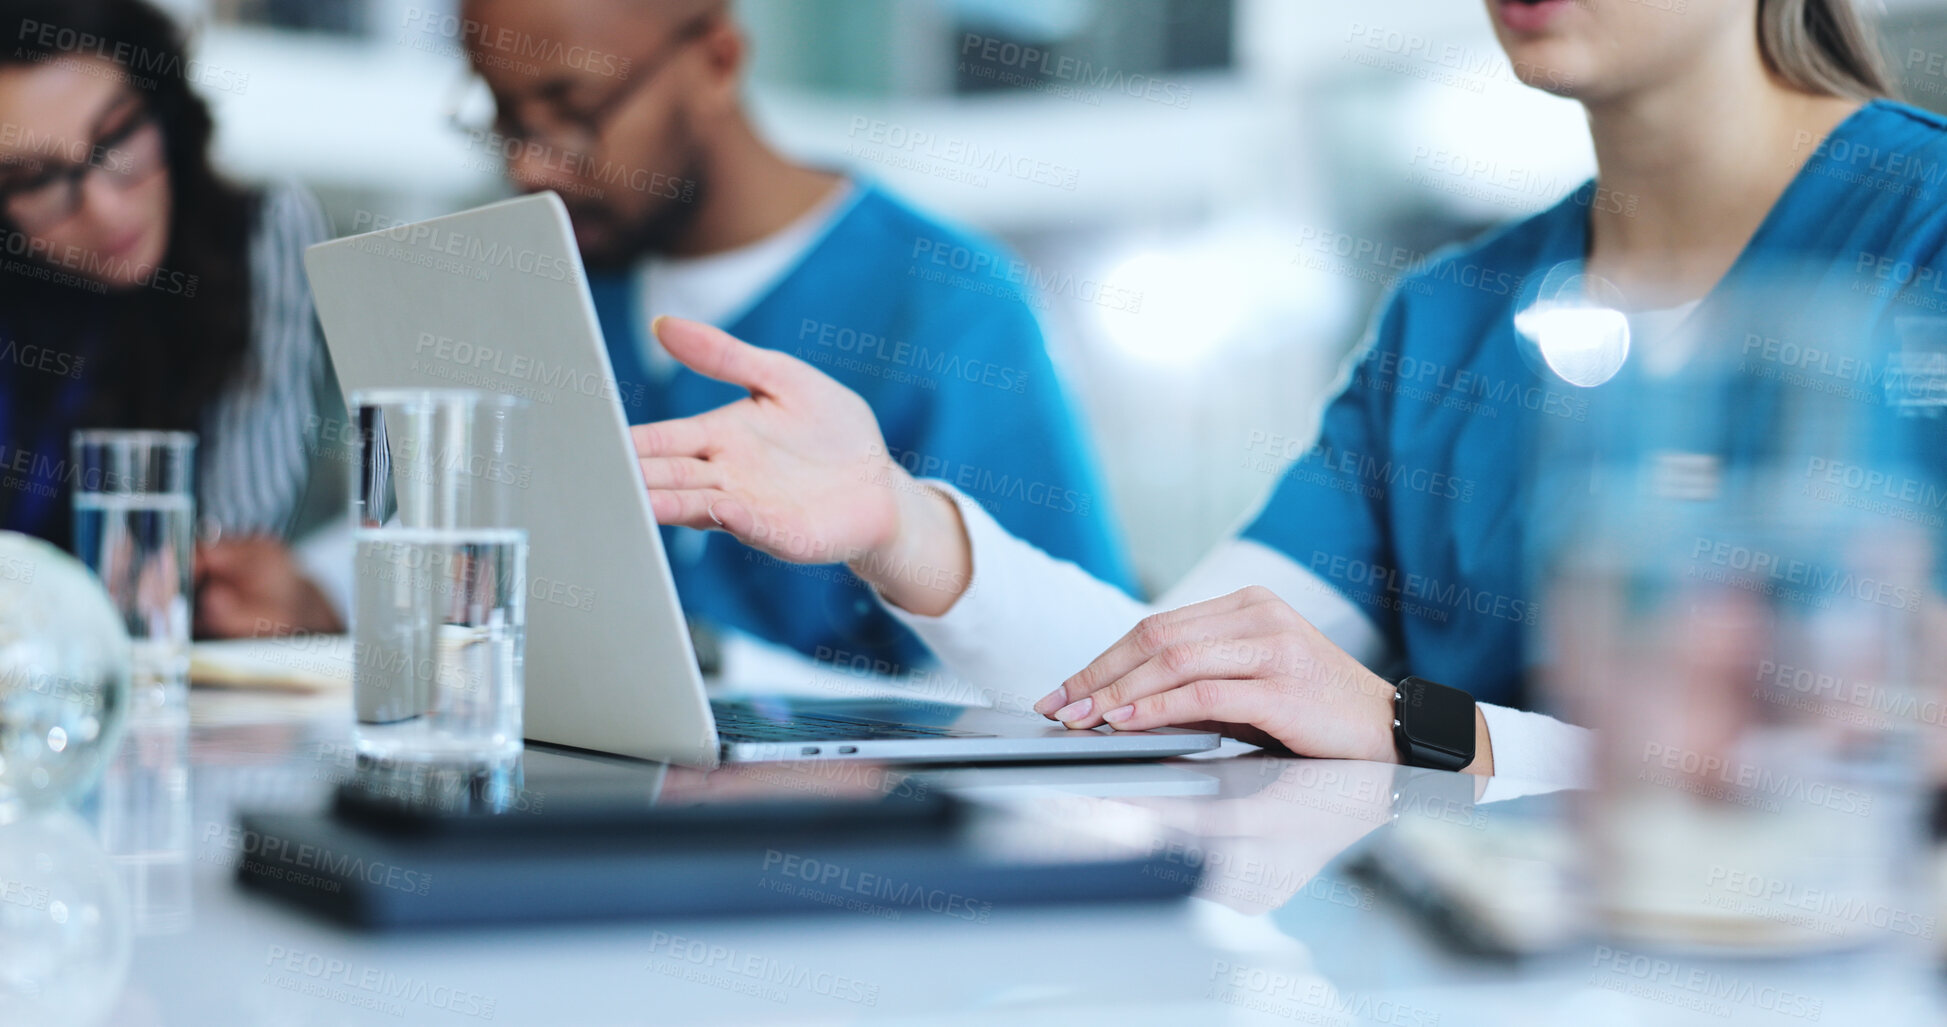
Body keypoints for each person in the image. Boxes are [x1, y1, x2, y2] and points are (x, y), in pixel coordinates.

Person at [628, 0, 1947, 783]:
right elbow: (1153, 674)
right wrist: (899, 527)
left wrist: (1427, 730)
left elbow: (1873, 777)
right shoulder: (1450, 315)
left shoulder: (1921, 238)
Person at [456, 0, 1134, 670]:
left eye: (575, 115)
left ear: (717, 60)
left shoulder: (955, 307)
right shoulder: (550, 280)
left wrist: (721, 662)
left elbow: (1076, 669)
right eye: (506, 121)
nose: (531, 168)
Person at [0, 0, 348, 638]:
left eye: (116, 137)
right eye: (36, 178)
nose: (104, 209)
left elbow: (227, 545)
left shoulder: (257, 232)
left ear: (164, 106)